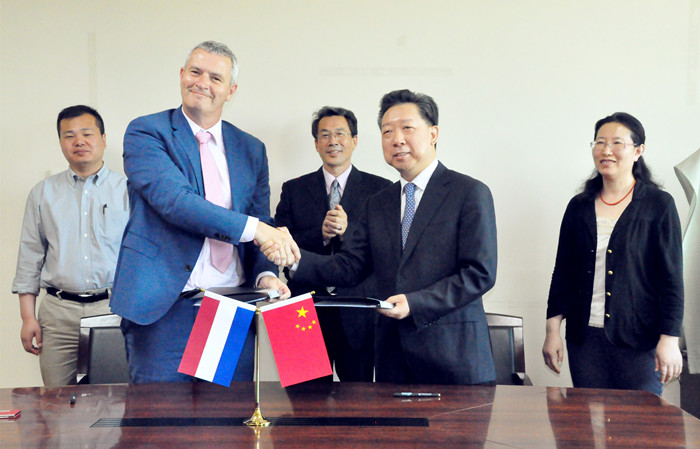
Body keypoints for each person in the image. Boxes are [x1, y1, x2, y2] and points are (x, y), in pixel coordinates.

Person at [265, 89, 497, 385]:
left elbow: (479, 273)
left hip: (452, 357)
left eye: (407, 128)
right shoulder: (379, 202)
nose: (396, 139)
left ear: (433, 134)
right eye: (387, 131)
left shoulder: (469, 193)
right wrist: (294, 259)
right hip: (392, 359)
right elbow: (350, 266)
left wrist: (415, 303)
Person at [110, 41, 298, 384]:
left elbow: (260, 219)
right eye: (195, 72)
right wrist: (257, 229)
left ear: (231, 90)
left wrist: (265, 275)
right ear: (182, 75)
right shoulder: (147, 132)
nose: (202, 83)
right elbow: (176, 202)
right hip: (164, 311)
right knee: (162, 417)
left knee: (226, 416)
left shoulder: (251, 149)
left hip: (231, 308)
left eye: (215, 77)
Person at [542, 112, 684, 395]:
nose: (606, 150)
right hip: (585, 340)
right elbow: (563, 273)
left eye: (617, 143)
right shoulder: (579, 206)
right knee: (589, 418)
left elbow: (670, 279)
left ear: (638, 151)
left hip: (640, 339)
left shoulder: (658, 205)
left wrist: (669, 339)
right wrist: (552, 331)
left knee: (639, 419)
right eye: (600, 142)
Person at [12, 105, 128, 386]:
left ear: (103, 138)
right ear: (61, 142)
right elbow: (30, 257)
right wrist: (27, 318)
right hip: (58, 313)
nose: (79, 141)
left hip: (113, 309)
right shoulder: (43, 193)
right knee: (56, 401)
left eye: (87, 134)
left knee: (113, 400)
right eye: (69, 136)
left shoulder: (128, 190)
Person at [275, 106, 391, 381]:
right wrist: (322, 234)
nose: (332, 141)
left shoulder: (382, 189)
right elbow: (279, 243)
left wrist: (349, 231)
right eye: (325, 135)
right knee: (303, 396)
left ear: (355, 140)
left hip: (360, 308)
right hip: (303, 306)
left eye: (340, 134)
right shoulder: (293, 188)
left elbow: (386, 248)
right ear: (316, 144)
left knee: (359, 396)